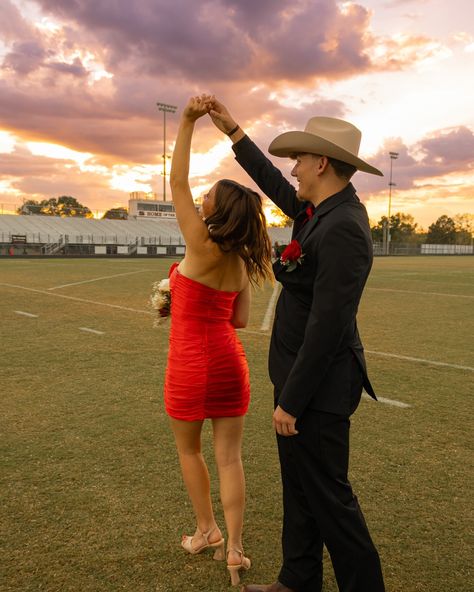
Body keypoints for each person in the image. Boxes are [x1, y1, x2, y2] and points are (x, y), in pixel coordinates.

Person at [207, 97, 386, 592]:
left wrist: (292, 400)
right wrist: (234, 133)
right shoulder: (319, 211)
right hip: (299, 382)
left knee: (330, 498)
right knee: (301, 492)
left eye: (302, 160)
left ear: (323, 163)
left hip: (319, 390)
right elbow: (275, 184)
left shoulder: (344, 227)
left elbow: (329, 327)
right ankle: (297, 582)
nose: (296, 168)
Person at [165, 95, 273, 587]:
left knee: (191, 452)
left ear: (216, 208)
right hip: (230, 362)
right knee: (230, 457)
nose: (201, 195)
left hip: (190, 362)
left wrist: (187, 121)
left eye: (209, 193)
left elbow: (176, 181)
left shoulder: (199, 243)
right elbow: (241, 322)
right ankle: (234, 549)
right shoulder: (243, 263)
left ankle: (205, 530)